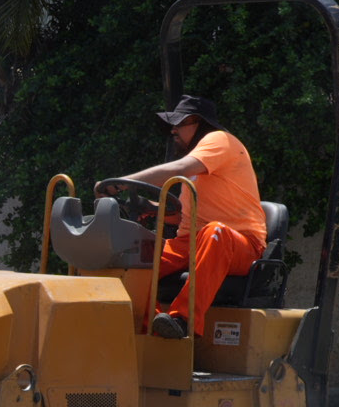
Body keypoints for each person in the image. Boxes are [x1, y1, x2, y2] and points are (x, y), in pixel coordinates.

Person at [108, 95, 266, 339]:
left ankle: (183, 320)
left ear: (197, 122)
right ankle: (151, 329)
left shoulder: (219, 140)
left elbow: (178, 169)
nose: (173, 130)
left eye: (179, 124)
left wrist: (122, 183)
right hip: (192, 241)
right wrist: (147, 206)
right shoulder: (198, 167)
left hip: (240, 244)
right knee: (138, 257)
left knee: (216, 232)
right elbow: (183, 216)